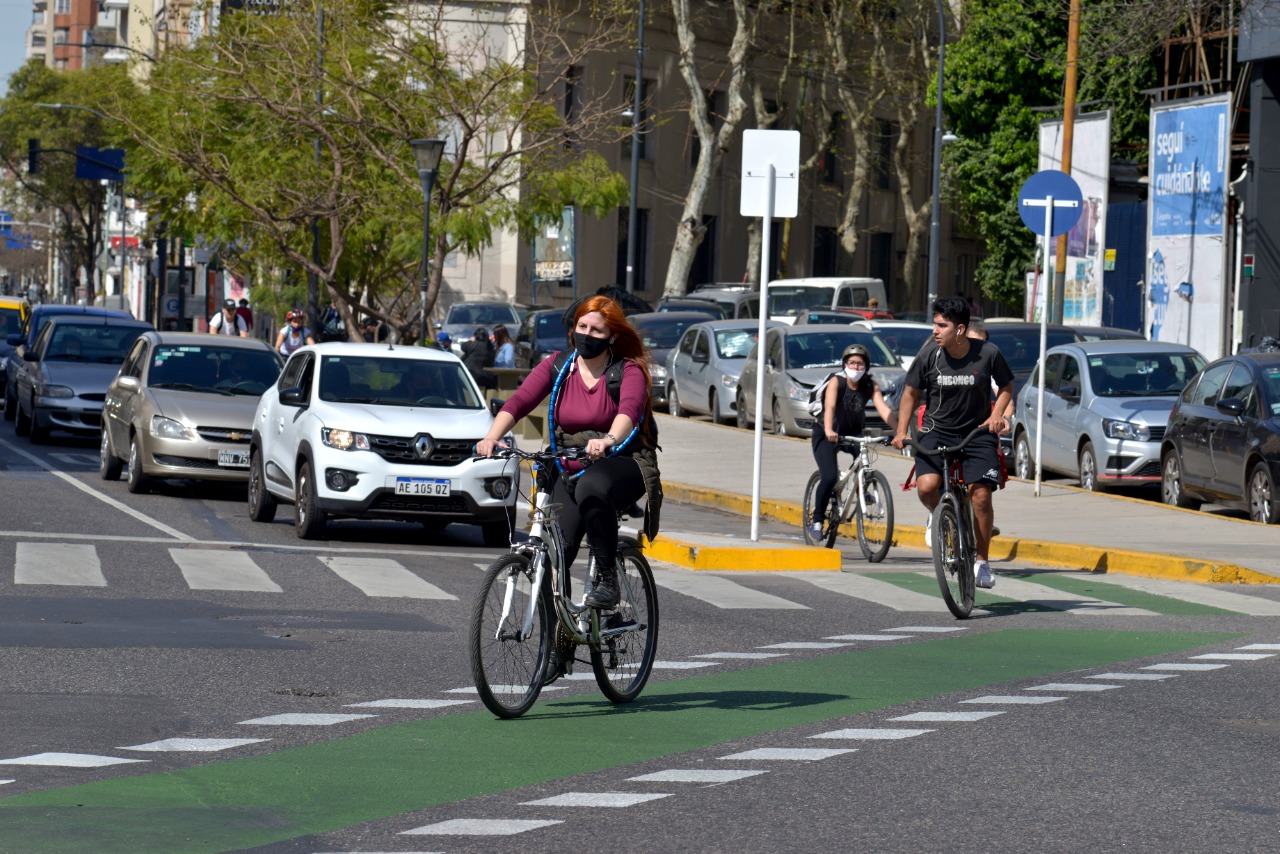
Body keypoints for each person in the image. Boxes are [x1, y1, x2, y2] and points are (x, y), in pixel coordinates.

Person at [475, 296, 662, 609]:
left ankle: (606, 578)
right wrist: (491, 437)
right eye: (582, 326)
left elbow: (628, 411)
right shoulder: (559, 366)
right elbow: (520, 401)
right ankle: (559, 646)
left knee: (593, 485)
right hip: (571, 464)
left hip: (623, 461)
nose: (587, 334)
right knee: (556, 549)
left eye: (597, 330)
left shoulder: (627, 371)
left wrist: (608, 439)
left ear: (612, 336)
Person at [891, 296, 1014, 590]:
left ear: (959, 329)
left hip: (977, 432)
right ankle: (941, 516)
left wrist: (997, 414)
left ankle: (982, 562)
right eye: (935, 324)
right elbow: (910, 393)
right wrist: (900, 431)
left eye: (941, 325)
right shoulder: (929, 356)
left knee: (981, 496)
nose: (935, 330)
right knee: (927, 487)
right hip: (936, 430)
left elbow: (1007, 386)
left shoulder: (988, 353)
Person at [808, 343, 895, 540]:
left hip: (853, 433)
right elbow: (829, 407)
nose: (855, 367)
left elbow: (883, 409)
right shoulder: (836, 382)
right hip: (825, 432)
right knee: (829, 477)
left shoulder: (869, 386)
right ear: (845, 364)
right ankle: (818, 519)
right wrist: (829, 429)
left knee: (863, 460)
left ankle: (862, 488)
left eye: (860, 364)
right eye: (852, 363)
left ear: (866, 366)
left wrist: (899, 432)